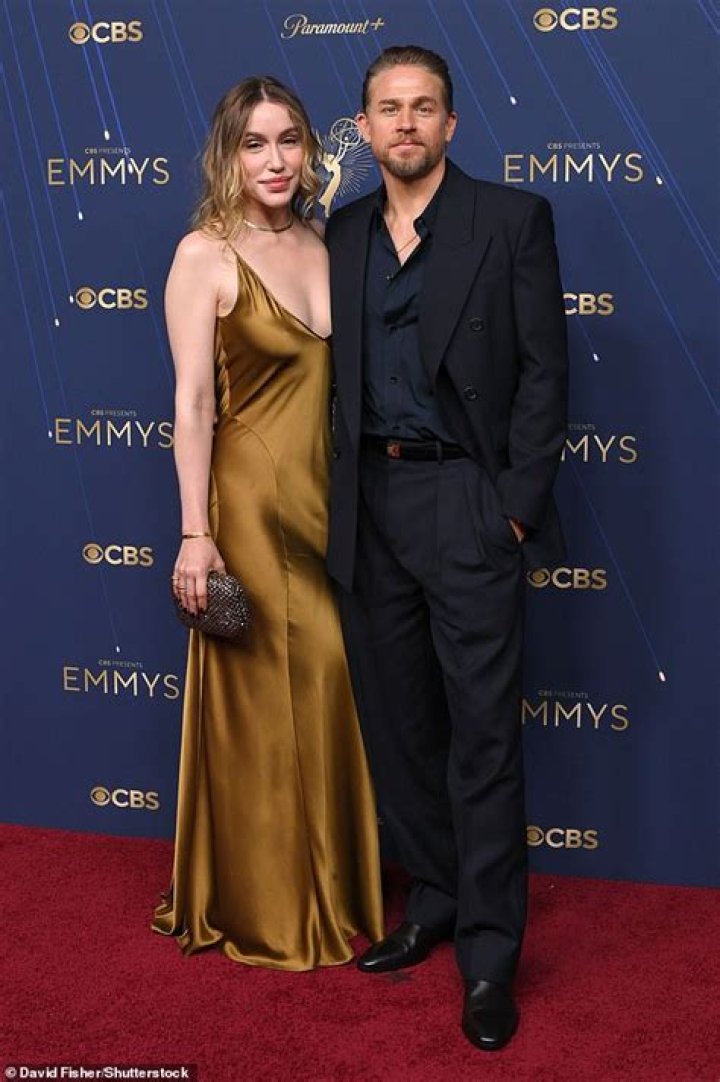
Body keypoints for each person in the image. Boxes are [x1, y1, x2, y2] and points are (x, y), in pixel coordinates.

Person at [325, 46, 568, 1047]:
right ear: (364, 128)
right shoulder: (340, 231)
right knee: (399, 727)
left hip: (465, 496)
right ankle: (432, 898)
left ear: (451, 124)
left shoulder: (511, 219)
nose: (406, 123)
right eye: (389, 108)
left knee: (482, 736)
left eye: (424, 107)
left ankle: (490, 955)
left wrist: (511, 509)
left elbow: (546, 371)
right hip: (368, 503)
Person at [152, 76, 383, 970]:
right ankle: (269, 901)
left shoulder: (326, 242)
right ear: (229, 155)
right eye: (255, 143)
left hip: (328, 501)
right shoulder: (203, 254)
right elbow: (193, 403)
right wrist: (194, 532)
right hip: (248, 505)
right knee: (265, 692)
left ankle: (333, 882)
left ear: (311, 150)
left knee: (329, 683)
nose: (276, 160)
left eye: (289, 140)